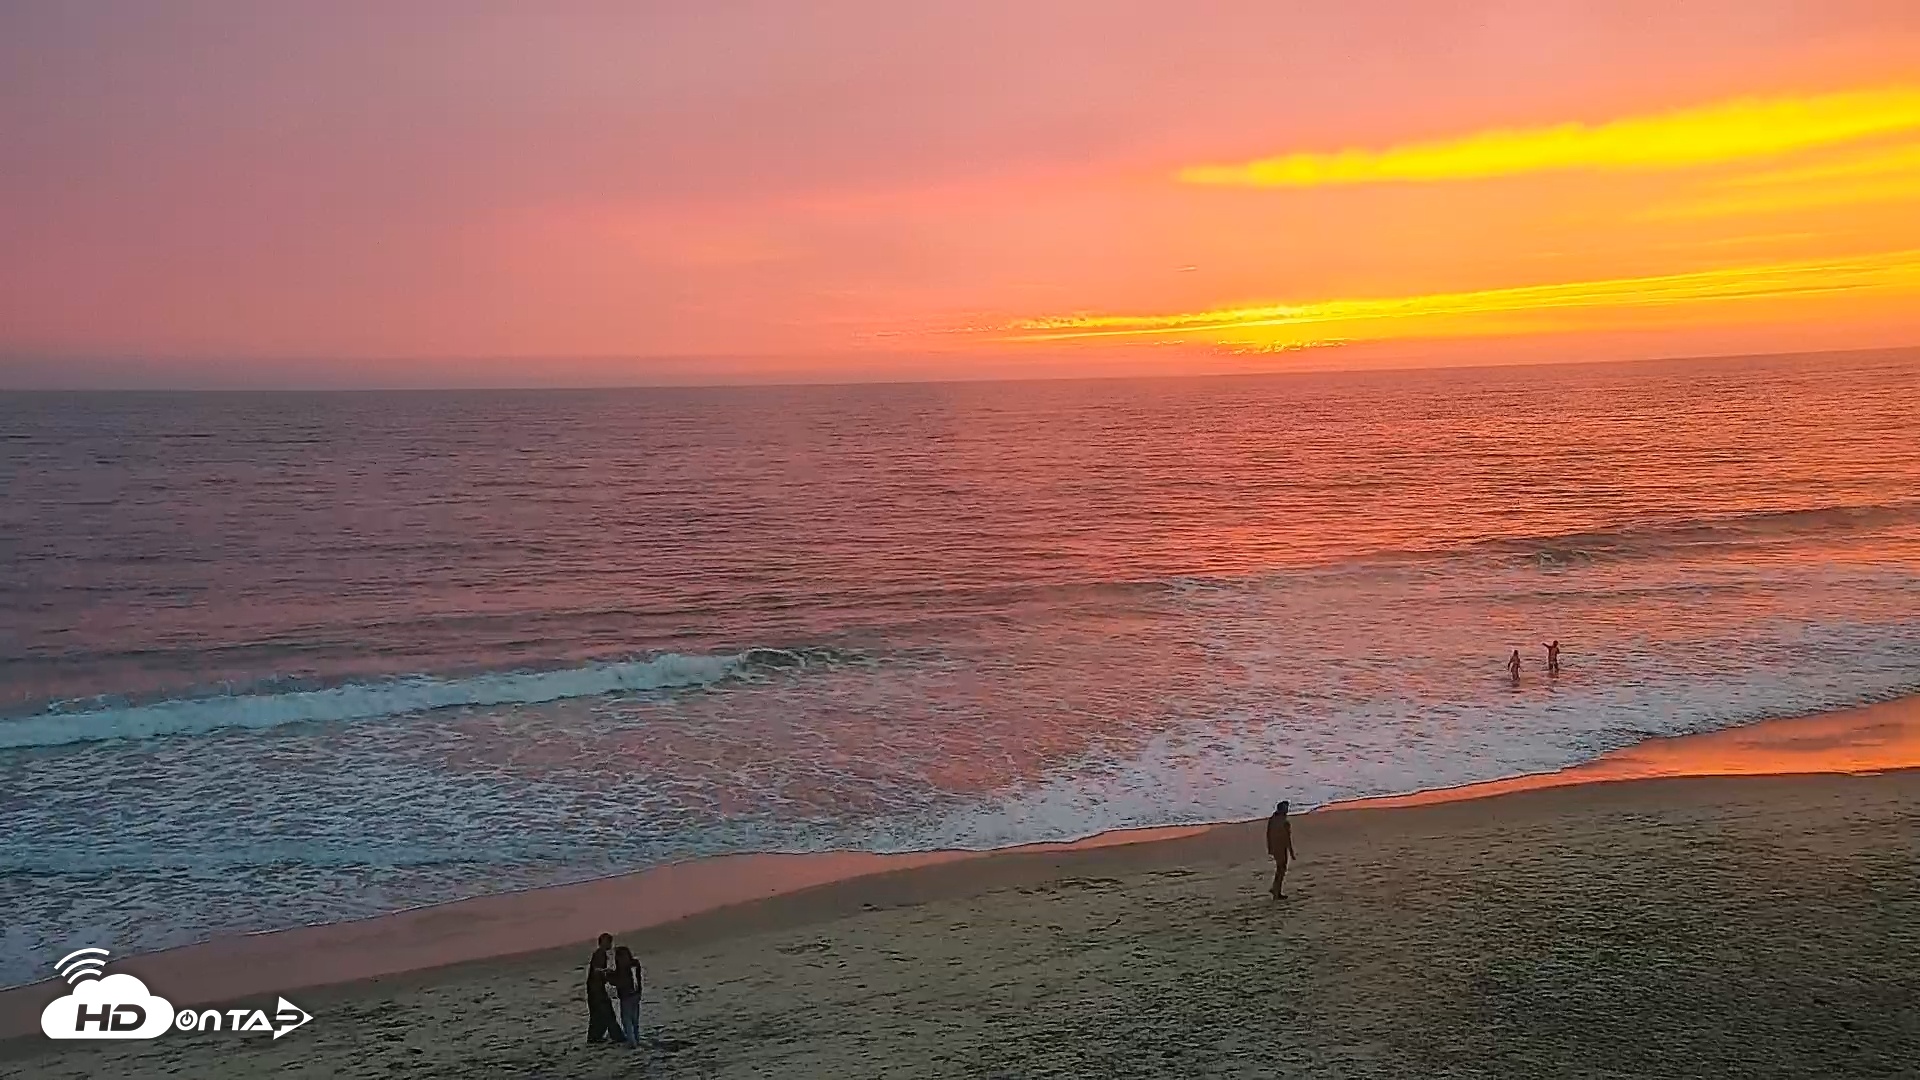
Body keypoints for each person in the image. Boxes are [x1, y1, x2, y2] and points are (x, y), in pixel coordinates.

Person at [585, 932, 624, 1045]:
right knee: (607, 1014)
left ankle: (594, 1038)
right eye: (609, 942)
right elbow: (597, 971)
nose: (611, 944)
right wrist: (608, 974)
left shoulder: (599, 954)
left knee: (597, 1016)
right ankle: (617, 1037)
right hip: (597, 991)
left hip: (594, 990)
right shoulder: (600, 954)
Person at [612, 945, 643, 1048]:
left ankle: (632, 1043)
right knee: (635, 1021)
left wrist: (609, 977)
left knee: (627, 1021)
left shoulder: (622, 970)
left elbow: (619, 982)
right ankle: (636, 1040)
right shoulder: (635, 965)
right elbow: (638, 980)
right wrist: (639, 992)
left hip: (626, 997)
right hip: (635, 995)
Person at [1267, 801, 1296, 899]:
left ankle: (1275, 888)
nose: (1287, 810)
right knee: (1281, 869)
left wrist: (1270, 847)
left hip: (1275, 847)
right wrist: (1291, 852)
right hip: (1281, 847)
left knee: (1280, 869)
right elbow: (1287, 838)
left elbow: (1268, 834)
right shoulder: (1284, 822)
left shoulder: (1273, 819)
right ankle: (1276, 890)